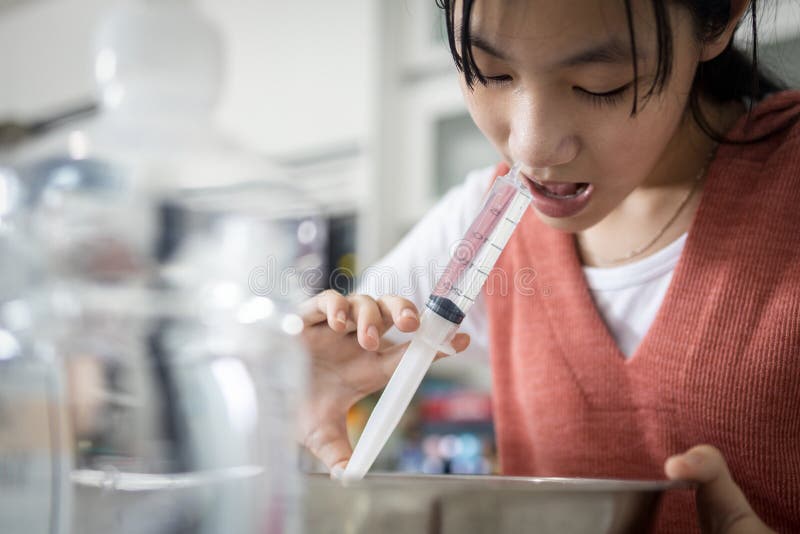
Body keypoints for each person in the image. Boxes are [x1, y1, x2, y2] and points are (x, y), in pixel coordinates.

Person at [299, 0, 799, 532]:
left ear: (718, 18)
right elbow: (322, 359)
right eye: (488, 72)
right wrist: (299, 380)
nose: (532, 148)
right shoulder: (481, 222)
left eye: (600, 83)